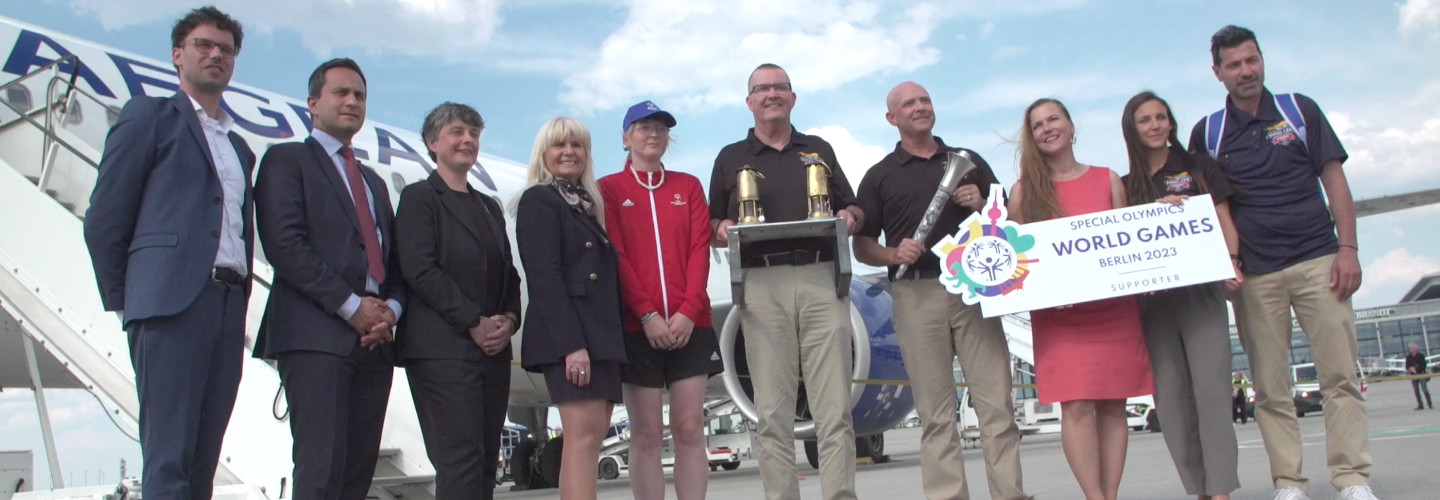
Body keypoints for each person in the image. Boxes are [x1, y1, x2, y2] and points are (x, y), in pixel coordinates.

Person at [1187, 25, 1376, 500]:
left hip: (1320, 260)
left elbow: (1335, 183)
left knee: (1340, 377)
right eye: (1234, 65)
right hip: (1255, 275)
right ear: (1217, 73)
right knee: (1269, 389)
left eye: (1252, 60)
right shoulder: (1208, 133)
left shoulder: (1299, 110)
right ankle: (1289, 483)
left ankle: (1352, 478)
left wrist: (1347, 249)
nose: (1245, 71)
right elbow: (1201, 210)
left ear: (1262, 60)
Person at [82, 7, 252, 498]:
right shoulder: (149, 116)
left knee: (203, 459)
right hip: (169, 306)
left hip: (225, 306)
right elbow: (105, 218)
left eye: (226, 48)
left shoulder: (240, 148)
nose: (215, 54)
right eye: (204, 45)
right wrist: (133, 301)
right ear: (178, 56)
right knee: (169, 457)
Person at [852, 81, 1031, 500]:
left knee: (997, 409)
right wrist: (893, 253)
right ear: (891, 118)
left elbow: (1008, 223)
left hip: (975, 294)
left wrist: (983, 200)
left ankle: (1011, 494)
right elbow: (862, 246)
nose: (920, 108)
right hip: (916, 296)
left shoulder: (968, 162)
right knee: (935, 415)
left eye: (925, 100)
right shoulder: (880, 176)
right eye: (909, 104)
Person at [709, 63, 863, 500]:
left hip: (820, 277)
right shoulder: (729, 158)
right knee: (772, 414)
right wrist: (721, 228)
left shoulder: (818, 149)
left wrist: (849, 217)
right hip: (761, 284)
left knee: (834, 410)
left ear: (792, 98)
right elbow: (711, 220)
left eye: (780, 87)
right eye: (762, 89)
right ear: (750, 101)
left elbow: (851, 208)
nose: (771, 94)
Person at [253, 58, 404, 500]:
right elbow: (284, 244)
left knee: (356, 476)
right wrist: (352, 305)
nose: (352, 101)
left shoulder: (374, 183)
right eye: (341, 92)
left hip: (375, 344)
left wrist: (389, 311)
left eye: (359, 95)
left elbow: (393, 264)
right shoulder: (287, 160)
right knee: (320, 473)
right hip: (317, 337)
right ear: (313, 104)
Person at [1006, 97, 1153, 500]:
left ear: (1072, 127)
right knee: (1075, 407)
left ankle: (1110, 495)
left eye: (1054, 119)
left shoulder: (1109, 180)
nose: (1047, 128)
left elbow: (1129, 244)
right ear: (1032, 138)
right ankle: (1095, 497)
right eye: (1037, 125)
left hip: (1114, 314)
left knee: (1112, 405)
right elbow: (1017, 262)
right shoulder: (1023, 193)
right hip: (1060, 319)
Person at [393, 102, 522, 499]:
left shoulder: (488, 206)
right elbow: (420, 270)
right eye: (457, 132)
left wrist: (509, 320)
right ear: (433, 143)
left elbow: (509, 274)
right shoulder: (419, 198)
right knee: (459, 461)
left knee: (485, 463)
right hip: (442, 351)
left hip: (491, 353)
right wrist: (473, 320)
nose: (467, 140)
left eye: (474, 133)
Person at [1121, 90, 1244, 500]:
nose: (1156, 125)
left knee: (1211, 391)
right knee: (1171, 402)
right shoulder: (1125, 186)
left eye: (1161, 117)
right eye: (1145, 120)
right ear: (1132, 130)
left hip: (1200, 294)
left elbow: (1224, 218)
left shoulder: (1198, 168)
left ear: (1171, 122)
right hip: (1153, 304)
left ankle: (1221, 490)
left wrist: (1231, 261)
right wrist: (1150, 212)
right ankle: (1200, 489)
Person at [598, 101, 720, 500]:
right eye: (643, 127)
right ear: (625, 137)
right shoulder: (609, 190)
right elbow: (616, 255)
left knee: (688, 429)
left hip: (692, 324)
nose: (653, 134)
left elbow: (699, 249)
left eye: (661, 129)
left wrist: (687, 311)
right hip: (637, 327)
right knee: (646, 433)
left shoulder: (688, 186)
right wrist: (647, 314)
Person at [514, 117, 625, 500]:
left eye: (577, 145)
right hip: (574, 338)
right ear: (543, 154)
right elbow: (544, 278)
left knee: (591, 442)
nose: (569, 152)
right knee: (580, 442)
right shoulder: (540, 200)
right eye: (559, 145)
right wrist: (571, 346)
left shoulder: (583, 205)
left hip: (600, 337)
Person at [1405, 344, 1432, 410]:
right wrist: (1410, 369)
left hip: (1421, 374)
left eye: (1411, 348)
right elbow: (1407, 366)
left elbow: (1424, 366)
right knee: (1416, 390)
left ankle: (1429, 404)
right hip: (1413, 376)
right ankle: (1420, 405)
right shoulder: (1408, 357)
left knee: (1424, 389)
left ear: (1415, 349)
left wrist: (1416, 369)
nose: (1410, 349)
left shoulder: (1421, 356)